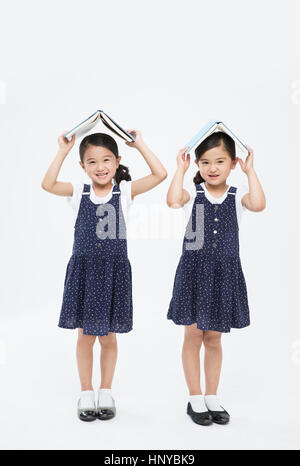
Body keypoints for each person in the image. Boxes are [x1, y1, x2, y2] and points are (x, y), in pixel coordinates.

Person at [41, 130, 167, 421]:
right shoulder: (78, 192)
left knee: (108, 338)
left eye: (106, 159)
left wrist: (141, 145)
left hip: (113, 274)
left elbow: (160, 174)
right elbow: (47, 184)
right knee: (85, 336)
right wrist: (63, 150)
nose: (100, 167)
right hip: (85, 273)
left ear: (118, 160)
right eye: (92, 161)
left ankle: (106, 390)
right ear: (83, 166)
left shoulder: (124, 192)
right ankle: (86, 392)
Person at [166, 131, 266, 425]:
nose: (212, 168)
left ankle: (212, 395)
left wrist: (251, 171)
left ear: (233, 163)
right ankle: (194, 397)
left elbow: (259, 203)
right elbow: (173, 200)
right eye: (206, 162)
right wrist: (180, 170)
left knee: (214, 338)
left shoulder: (236, 197)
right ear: (197, 164)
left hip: (223, 275)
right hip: (195, 274)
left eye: (220, 161)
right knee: (193, 334)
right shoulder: (193, 195)